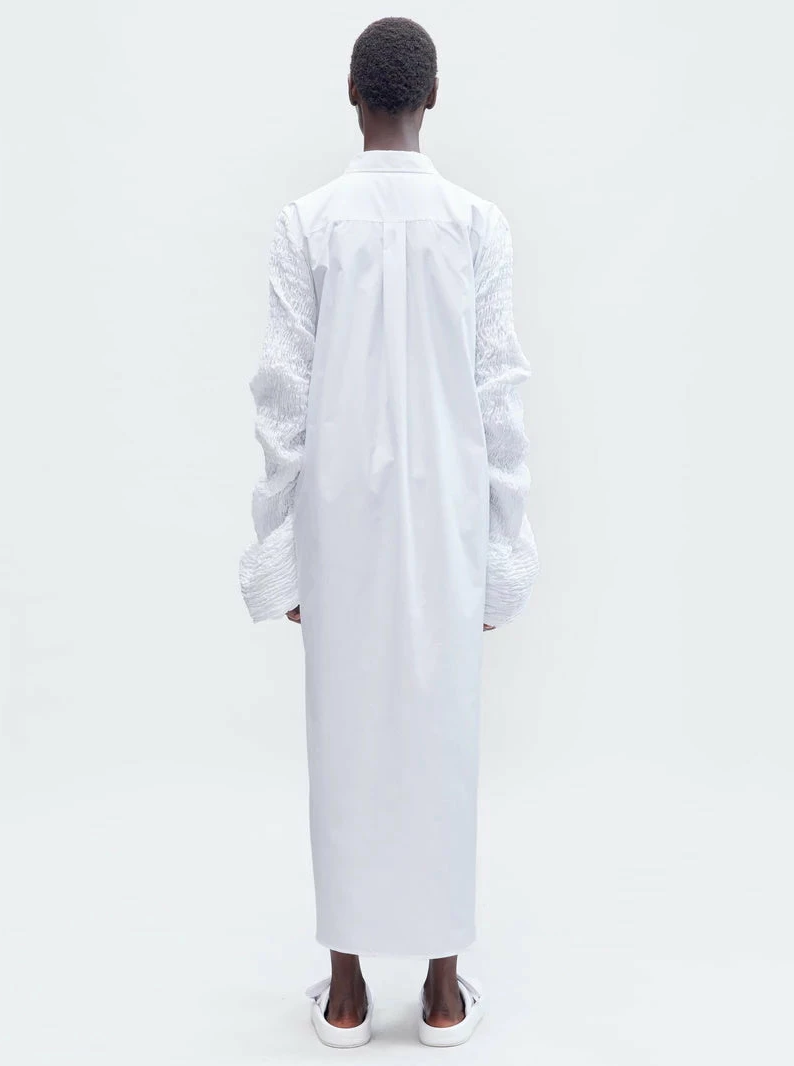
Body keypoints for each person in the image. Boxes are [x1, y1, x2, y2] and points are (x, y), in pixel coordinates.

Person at [239, 16, 538, 1048]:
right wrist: (501, 551)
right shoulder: (477, 224)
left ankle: (347, 993)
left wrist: (279, 548)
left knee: (345, 741)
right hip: (447, 514)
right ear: (432, 97)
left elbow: (282, 396)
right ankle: (444, 993)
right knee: (442, 736)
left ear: (352, 94)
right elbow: (498, 392)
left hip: (339, 522)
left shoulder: (308, 222)